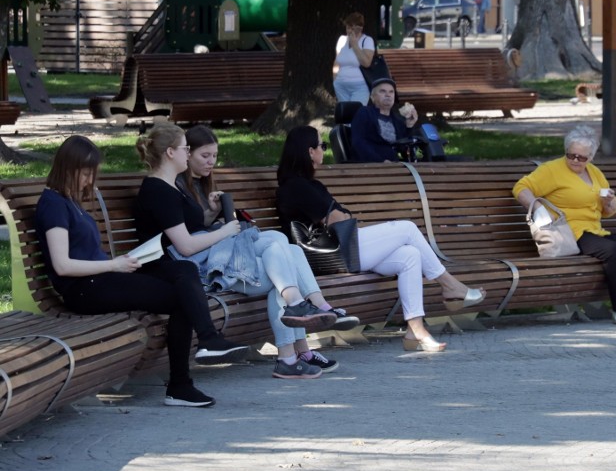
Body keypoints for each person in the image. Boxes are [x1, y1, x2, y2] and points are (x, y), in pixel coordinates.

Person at [34, 135, 249, 408]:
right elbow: (62, 265)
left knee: (183, 270)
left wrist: (121, 264)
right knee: (182, 298)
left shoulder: (70, 202)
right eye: (86, 173)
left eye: (92, 173)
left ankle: (206, 343)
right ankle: (184, 379)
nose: (89, 181)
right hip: (83, 288)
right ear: (67, 167)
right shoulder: (53, 205)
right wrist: (114, 264)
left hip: (102, 278)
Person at [133, 125, 344, 370]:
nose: (189, 154)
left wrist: (211, 215)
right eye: (186, 149)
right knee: (280, 253)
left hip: (205, 260)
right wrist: (224, 231)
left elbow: (187, 228)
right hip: (196, 270)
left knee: (288, 257)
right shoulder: (159, 190)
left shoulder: (171, 187)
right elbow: (186, 246)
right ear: (171, 152)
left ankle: (293, 350)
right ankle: (299, 337)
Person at [276, 126, 486, 352]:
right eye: (322, 146)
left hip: (340, 249)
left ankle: (415, 330)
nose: (324, 151)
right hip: (326, 258)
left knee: (410, 255)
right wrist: (341, 214)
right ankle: (449, 285)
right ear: (310, 151)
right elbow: (339, 218)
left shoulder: (310, 185)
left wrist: (341, 214)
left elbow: (342, 216)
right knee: (406, 228)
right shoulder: (296, 187)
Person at [512, 125, 616, 326]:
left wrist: (609, 202)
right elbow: (521, 187)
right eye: (571, 155)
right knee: (611, 250)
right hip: (569, 230)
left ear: (591, 157)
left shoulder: (594, 172)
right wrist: (539, 208)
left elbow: (609, 210)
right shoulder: (552, 170)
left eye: (581, 158)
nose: (575, 160)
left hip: (593, 229)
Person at [350, 78, 419, 163]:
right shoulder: (365, 113)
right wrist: (380, 161)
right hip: (370, 166)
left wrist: (409, 126)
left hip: (394, 166)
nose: (388, 95)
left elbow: (403, 148)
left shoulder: (397, 120)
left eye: (391, 92)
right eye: (383, 91)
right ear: (372, 97)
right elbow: (358, 142)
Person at [333, 12, 375, 105]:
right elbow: (337, 62)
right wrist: (335, 81)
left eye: (352, 27)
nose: (349, 31)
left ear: (360, 28)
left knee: (357, 114)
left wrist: (355, 45)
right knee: (345, 116)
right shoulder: (342, 39)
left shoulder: (367, 40)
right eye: (347, 27)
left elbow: (366, 63)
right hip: (341, 85)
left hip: (360, 85)